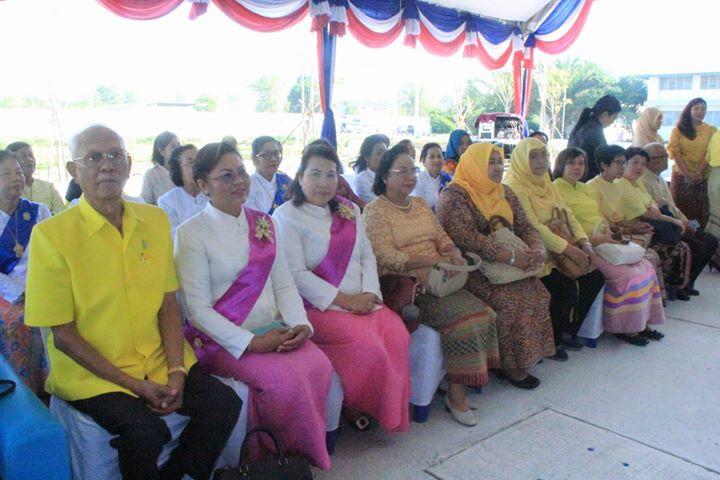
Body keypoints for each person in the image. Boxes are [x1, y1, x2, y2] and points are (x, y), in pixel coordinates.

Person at [25, 126, 241, 480]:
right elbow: (63, 335)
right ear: (73, 170)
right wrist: (135, 385)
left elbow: (168, 304)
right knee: (146, 431)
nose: (106, 165)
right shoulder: (51, 236)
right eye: (93, 157)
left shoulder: (154, 220)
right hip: (92, 376)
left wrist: (176, 370)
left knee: (224, 404)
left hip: (157, 360)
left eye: (114, 156)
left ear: (128, 164)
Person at [175, 141, 333, 470]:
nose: (239, 181)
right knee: (282, 383)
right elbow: (198, 311)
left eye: (241, 172)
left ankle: (297, 456)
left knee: (319, 365)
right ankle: (265, 459)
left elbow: (284, 283)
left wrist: (301, 325)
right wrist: (252, 342)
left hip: (272, 330)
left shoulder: (265, 223)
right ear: (203, 185)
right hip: (222, 341)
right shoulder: (191, 234)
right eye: (226, 176)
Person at [273, 143, 411, 434]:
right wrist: (346, 300)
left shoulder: (349, 210)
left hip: (362, 301)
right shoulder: (285, 217)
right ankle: (359, 404)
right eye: (315, 174)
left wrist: (370, 293)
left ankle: (384, 409)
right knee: (369, 347)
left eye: (331, 174)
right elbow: (295, 274)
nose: (324, 182)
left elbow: (366, 255)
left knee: (398, 334)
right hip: (318, 308)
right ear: (300, 176)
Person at [364, 144, 499, 427]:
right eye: (401, 171)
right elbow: (385, 256)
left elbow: (442, 236)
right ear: (385, 177)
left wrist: (452, 253)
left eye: (412, 170)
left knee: (485, 312)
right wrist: (430, 260)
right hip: (407, 285)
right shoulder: (376, 211)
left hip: (441, 278)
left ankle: (454, 382)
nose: (409, 177)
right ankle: (457, 396)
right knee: (464, 322)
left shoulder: (421, 205)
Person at [436, 144, 554, 388]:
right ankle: (508, 365)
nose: (498, 167)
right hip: (472, 266)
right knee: (509, 300)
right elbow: (465, 238)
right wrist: (508, 257)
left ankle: (527, 354)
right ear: (475, 164)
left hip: (510, 264)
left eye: (500, 161)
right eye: (491, 162)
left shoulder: (505, 192)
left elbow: (525, 226)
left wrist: (537, 248)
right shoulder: (454, 196)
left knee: (538, 292)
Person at [504, 138, 605, 361]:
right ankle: (552, 339)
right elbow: (533, 226)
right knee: (563, 287)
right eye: (534, 156)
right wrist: (570, 250)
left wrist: (585, 243)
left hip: (560, 248)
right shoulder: (514, 187)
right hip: (534, 252)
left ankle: (569, 329)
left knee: (594, 277)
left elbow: (567, 213)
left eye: (544, 156)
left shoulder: (546, 182)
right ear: (521, 159)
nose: (541, 162)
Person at [552, 147, 665, 345]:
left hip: (605, 240)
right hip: (584, 246)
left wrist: (612, 234)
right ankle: (626, 329)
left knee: (646, 267)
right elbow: (564, 227)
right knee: (628, 276)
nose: (577, 167)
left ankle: (642, 324)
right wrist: (593, 240)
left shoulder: (584, 188)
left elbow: (601, 217)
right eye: (571, 163)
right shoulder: (556, 189)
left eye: (581, 163)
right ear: (561, 165)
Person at [0, 150, 50, 393]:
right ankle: (21, 391)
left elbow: (53, 256)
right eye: (6, 174)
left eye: (18, 172)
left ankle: (52, 386)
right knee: (16, 320)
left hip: (43, 286)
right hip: (5, 293)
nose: (15, 178)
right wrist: (18, 293)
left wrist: (39, 288)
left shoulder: (39, 212)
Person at [588, 145, 666, 299]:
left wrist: (634, 228)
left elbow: (618, 220)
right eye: (619, 163)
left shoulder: (615, 186)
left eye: (624, 162)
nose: (623, 167)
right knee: (646, 259)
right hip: (599, 237)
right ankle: (630, 307)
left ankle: (647, 307)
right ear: (604, 165)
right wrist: (629, 230)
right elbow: (601, 224)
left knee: (650, 255)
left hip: (614, 232)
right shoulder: (592, 187)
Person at [616, 147, 692, 300]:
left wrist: (654, 207)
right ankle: (666, 292)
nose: (639, 167)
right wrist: (674, 220)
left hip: (650, 227)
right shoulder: (621, 185)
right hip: (635, 229)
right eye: (635, 162)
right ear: (625, 163)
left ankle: (679, 289)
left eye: (643, 164)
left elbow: (652, 204)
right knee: (679, 246)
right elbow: (644, 213)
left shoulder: (637, 182)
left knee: (691, 242)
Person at [643, 143, 718, 292]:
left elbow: (673, 207)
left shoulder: (659, 178)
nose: (665, 160)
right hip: (664, 227)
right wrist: (681, 224)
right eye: (661, 157)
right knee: (697, 246)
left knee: (711, 240)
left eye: (665, 156)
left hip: (677, 223)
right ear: (649, 160)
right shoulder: (644, 181)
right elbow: (659, 212)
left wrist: (685, 222)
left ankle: (688, 283)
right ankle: (680, 286)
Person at [667, 98, 717, 229]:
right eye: (696, 109)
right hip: (681, 176)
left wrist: (699, 173)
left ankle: (699, 238)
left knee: (701, 212)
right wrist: (687, 174)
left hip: (703, 178)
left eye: (703, 109)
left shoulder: (712, 130)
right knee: (680, 209)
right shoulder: (678, 130)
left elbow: (709, 153)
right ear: (689, 110)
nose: (700, 112)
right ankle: (682, 236)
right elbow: (675, 153)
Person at [157, 145, 208, 238]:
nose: (197, 167)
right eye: (191, 163)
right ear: (178, 170)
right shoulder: (167, 201)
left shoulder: (214, 194)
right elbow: (174, 237)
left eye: (199, 162)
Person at [568, 94, 622, 180]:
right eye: (614, 118)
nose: (613, 122)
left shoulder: (585, 125)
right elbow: (598, 162)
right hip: (587, 179)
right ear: (605, 114)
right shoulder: (594, 132)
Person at [6, 141, 65, 214]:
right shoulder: (8, 190)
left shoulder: (48, 187)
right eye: (24, 156)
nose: (30, 160)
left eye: (31, 155)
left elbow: (62, 213)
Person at [306, 139, 365, 210]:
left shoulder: (340, 180)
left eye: (327, 155)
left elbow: (356, 200)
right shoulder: (295, 207)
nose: (323, 184)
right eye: (315, 174)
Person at [244, 136, 292, 214]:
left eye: (276, 154)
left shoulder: (286, 181)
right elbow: (253, 218)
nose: (273, 159)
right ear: (254, 159)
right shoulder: (247, 187)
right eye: (266, 155)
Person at [141, 131, 179, 205]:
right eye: (173, 147)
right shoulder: (151, 174)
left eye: (179, 145)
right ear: (162, 151)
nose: (178, 149)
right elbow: (146, 203)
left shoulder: (184, 171)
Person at [411, 142, 452, 210]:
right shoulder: (419, 181)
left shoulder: (448, 179)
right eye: (432, 157)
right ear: (424, 161)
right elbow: (418, 208)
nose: (436, 160)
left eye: (439, 156)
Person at [351, 134, 389, 203]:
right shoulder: (361, 180)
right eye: (379, 153)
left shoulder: (389, 175)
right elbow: (379, 204)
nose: (384, 157)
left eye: (386, 153)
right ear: (367, 158)